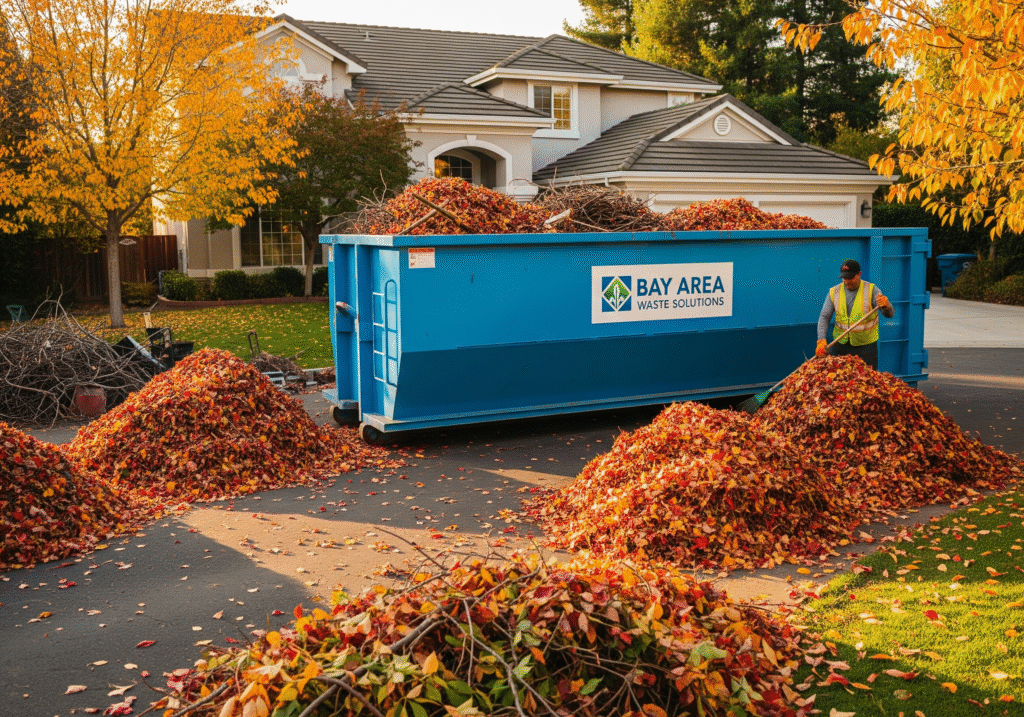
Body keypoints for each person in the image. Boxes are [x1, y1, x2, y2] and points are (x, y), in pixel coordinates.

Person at [816, 258, 894, 370]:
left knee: (867, 382)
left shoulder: (872, 290)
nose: (847, 281)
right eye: (844, 277)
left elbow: (889, 314)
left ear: (859, 274)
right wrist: (821, 339)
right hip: (841, 345)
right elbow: (824, 316)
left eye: (850, 277)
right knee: (840, 382)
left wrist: (887, 306)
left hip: (866, 347)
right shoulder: (834, 292)